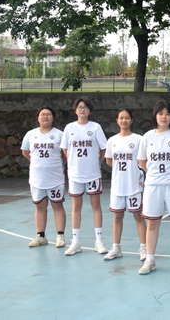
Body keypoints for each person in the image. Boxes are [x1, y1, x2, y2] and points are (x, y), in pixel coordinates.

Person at [137, 102, 170, 275]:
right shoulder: (147, 137)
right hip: (153, 186)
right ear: (155, 115)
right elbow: (142, 161)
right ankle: (150, 259)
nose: (164, 117)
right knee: (152, 223)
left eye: (167, 114)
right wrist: (153, 174)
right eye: (160, 113)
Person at [61, 98, 108, 256]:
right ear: (75, 110)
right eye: (80, 107)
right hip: (75, 174)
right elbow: (65, 149)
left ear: (90, 111)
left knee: (96, 205)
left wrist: (97, 162)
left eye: (85, 107)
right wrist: (73, 162)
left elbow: (103, 148)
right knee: (76, 207)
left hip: (92, 173)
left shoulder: (95, 127)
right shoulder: (69, 128)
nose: (82, 109)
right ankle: (75, 242)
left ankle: (98, 241)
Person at [103, 109, 147, 261]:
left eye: (127, 118)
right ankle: (116, 247)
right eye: (121, 118)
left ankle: (143, 247)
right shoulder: (112, 140)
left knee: (138, 216)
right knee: (117, 217)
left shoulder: (139, 139)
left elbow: (143, 159)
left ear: (131, 120)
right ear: (117, 120)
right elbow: (109, 161)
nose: (124, 120)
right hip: (118, 185)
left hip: (134, 185)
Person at [22, 107, 67, 248]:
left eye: (48, 114)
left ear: (53, 118)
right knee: (39, 207)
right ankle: (40, 236)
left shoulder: (60, 134)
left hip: (55, 178)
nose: (45, 117)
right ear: (38, 118)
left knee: (57, 205)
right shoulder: (30, 134)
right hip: (37, 178)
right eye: (43, 114)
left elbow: (65, 154)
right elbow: (26, 152)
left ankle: (60, 236)